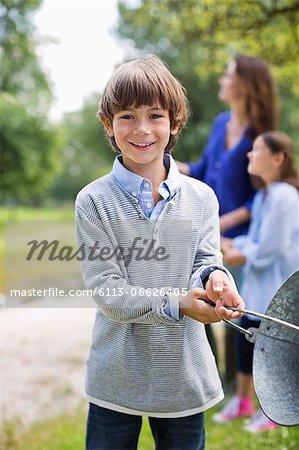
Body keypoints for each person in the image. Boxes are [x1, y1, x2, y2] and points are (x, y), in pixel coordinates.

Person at [75, 54, 245, 450]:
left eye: (155, 115)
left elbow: (205, 261)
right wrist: (180, 303)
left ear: (174, 123)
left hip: (183, 376)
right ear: (108, 123)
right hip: (116, 378)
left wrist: (216, 280)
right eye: (127, 116)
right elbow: (109, 290)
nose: (142, 129)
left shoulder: (202, 197)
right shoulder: (94, 201)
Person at [176, 54, 279, 377]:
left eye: (228, 74)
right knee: (198, 299)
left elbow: (262, 195)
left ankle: (243, 385)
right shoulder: (222, 123)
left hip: (242, 239)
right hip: (211, 234)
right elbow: (201, 171)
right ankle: (214, 375)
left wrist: (223, 222)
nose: (222, 79)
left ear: (245, 84)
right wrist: (161, 161)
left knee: (241, 312)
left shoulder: (260, 133)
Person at [213, 131, 299, 432]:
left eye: (258, 150)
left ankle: (272, 411)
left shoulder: (284, 196)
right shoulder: (265, 195)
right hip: (260, 287)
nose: (250, 154)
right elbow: (256, 238)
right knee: (247, 337)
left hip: (278, 286)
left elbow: (270, 247)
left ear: (278, 158)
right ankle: (244, 402)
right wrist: (232, 244)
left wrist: (240, 253)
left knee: (272, 348)